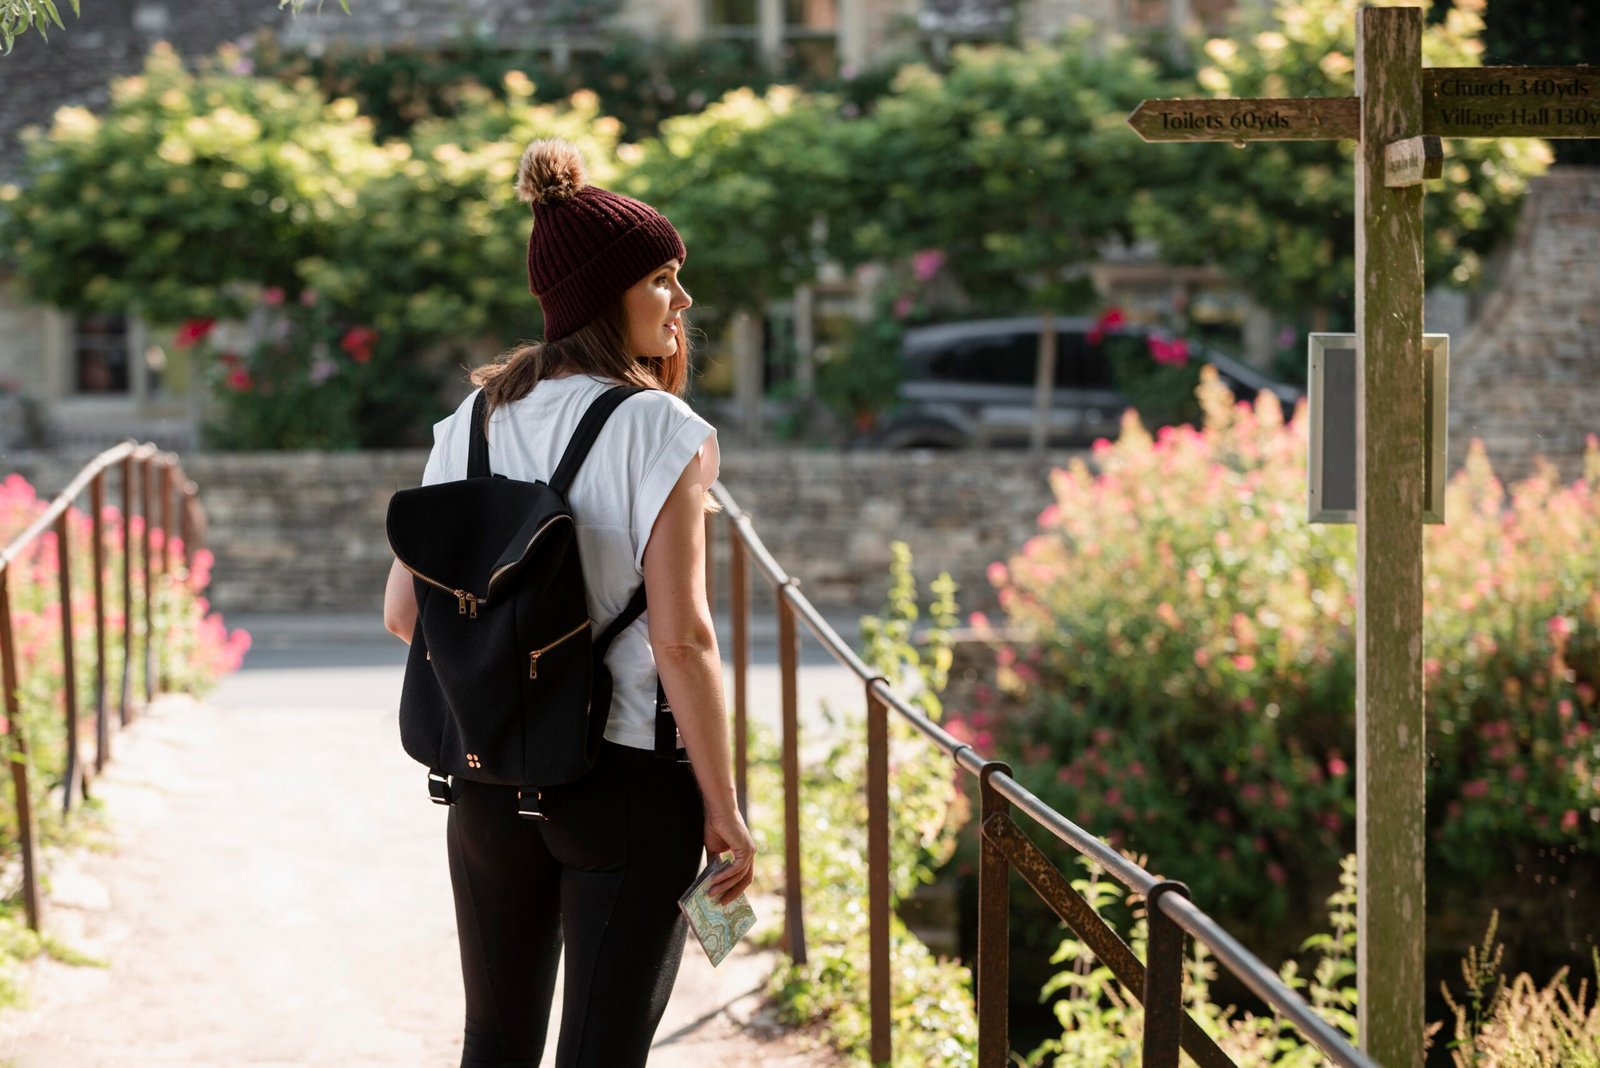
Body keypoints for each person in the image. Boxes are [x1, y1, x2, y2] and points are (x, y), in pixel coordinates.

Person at [381, 137, 757, 1068]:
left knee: (495, 1044)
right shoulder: (658, 426)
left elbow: (402, 613)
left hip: (484, 776)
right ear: (606, 294)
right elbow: (683, 640)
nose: (682, 301)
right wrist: (725, 801)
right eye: (663, 279)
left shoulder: (468, 422)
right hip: (625, 783)